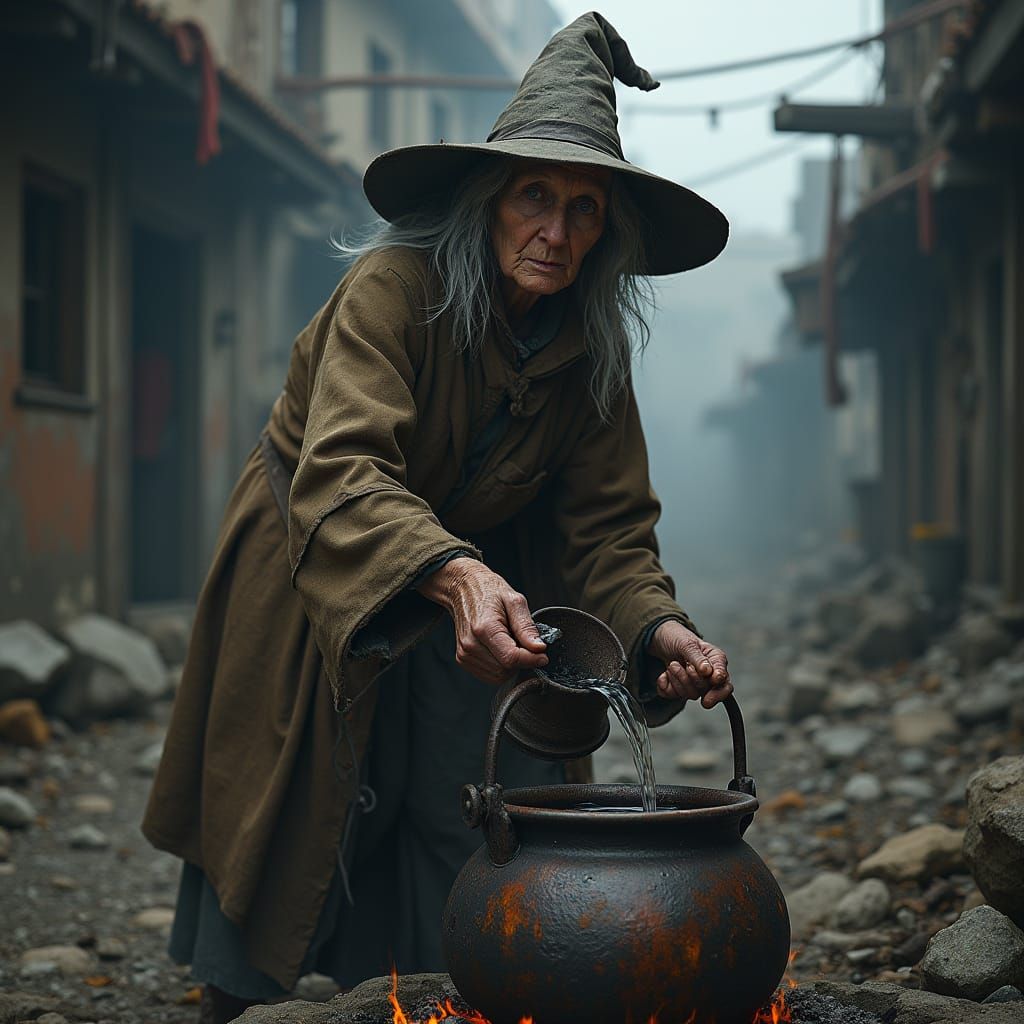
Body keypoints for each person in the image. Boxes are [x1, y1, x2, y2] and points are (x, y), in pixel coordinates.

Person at [142, 12, 734, 1023]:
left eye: (584, 210)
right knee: (297, 792)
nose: (556, 230)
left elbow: (607, 531)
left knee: (489, 791)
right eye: (535, 197)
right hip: (323, 554)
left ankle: (451, 983)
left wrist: (656, 627)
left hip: (486, 572)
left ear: (606, 233)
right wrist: (451, 573)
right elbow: (345, 468)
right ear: (487, 200)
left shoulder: (590, 348)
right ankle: (237, 1003)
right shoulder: (390, 290)